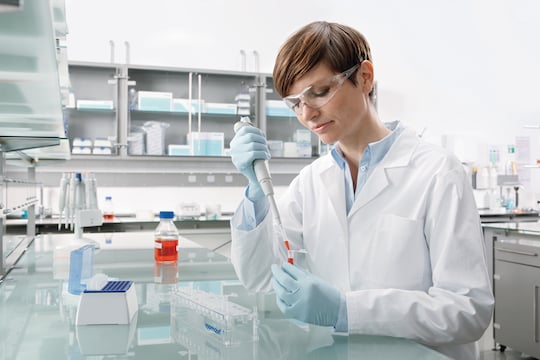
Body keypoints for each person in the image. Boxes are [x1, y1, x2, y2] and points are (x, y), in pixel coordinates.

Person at [229, 21, 494, 360]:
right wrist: (254, 191)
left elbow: (467, 311)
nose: (307, 114)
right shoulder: (311, 182)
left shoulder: (438, 172)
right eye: (295, 103)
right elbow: (262, 277)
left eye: (320, 92)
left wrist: (346, 310)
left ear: (365, 77)